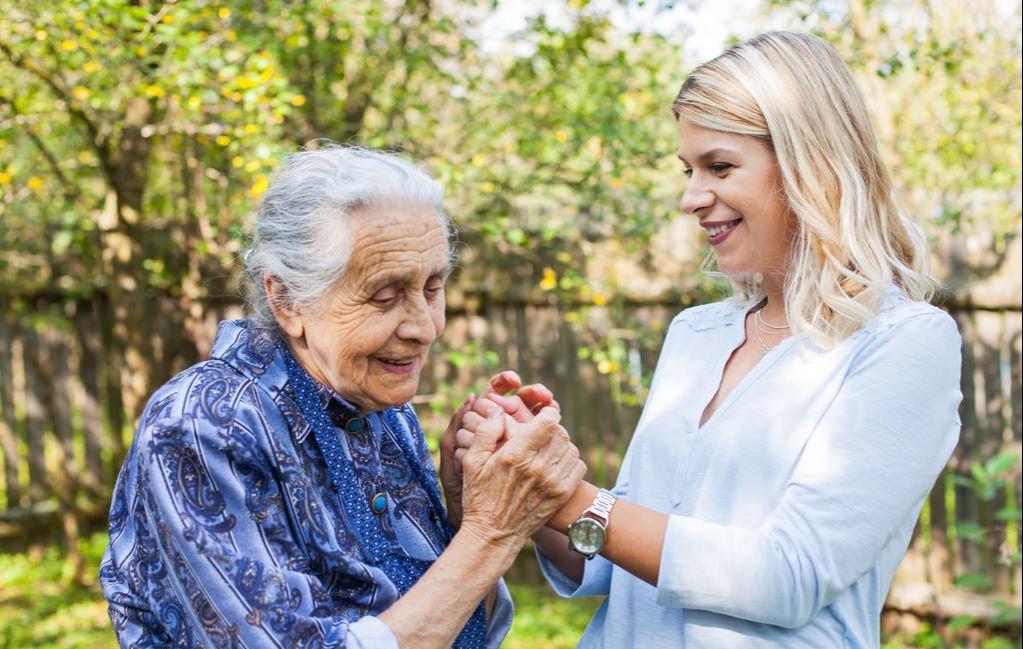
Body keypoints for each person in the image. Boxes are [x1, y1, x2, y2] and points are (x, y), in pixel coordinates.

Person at [455, 31, 962, 648]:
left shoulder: (903, 343)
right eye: (688, 170)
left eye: (719, 166)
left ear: (811, 163)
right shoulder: (696, 334)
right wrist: (524, 472)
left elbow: (789, 576)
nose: (692, 198)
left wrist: (567, 496)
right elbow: (613, 562)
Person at [99, 145, 586, 648]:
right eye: (384, 296)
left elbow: (456, 628)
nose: (424, 327)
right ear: (286, 300)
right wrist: (492, 536)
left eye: (433, 286)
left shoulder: (381, 410)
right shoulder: (204, 425)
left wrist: (467, 511)